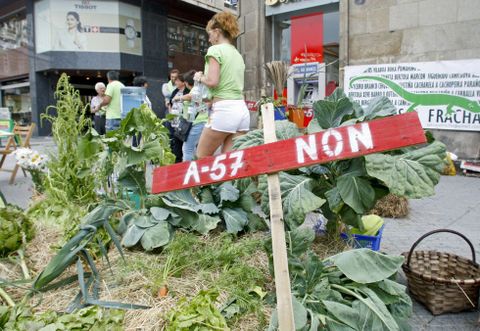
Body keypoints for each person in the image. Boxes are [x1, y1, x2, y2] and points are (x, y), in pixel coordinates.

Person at [194, 11, 249, 158]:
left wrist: (200, 77)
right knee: (230, 162)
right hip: (242, 110)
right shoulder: (237, 54)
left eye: (210, 34)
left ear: (217, 32)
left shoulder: (215, 50)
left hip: (224, 109)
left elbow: (212, 81)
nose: (209, 39)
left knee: (201, 157)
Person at [176, 70, 208, 162]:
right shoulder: (202, 88)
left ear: (185, 83)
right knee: (194, 149)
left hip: (197, 123)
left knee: (187, 149)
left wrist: (178, 98)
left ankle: (188, 172)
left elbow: (191, 96)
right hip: (201, 121)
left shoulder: (196, 89)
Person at [166, 74, 191, 163]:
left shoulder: (188, 91)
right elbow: (170, 103)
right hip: (174, 119)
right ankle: (177, 160)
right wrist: (170, 114)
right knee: (174, 139)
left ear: (183, 82)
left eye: (177, 81)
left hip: (184, 120)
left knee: (183, 141)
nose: (175, 82)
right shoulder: (175, 91)